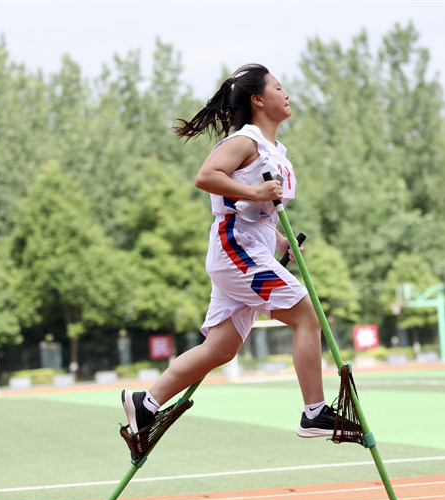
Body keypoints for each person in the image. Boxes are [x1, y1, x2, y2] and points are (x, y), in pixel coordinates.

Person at [121, 64, 352, 438]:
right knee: (306, 316)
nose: (287, 94)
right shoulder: (246, 141)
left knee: (221, 348)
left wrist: (280, 242)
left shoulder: (277, 151)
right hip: (236, 247)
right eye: (279, 88)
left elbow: (259, 214)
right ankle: (314, 412)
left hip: (248, 246)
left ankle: (145, 403)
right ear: (259, 99)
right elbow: (207, 177)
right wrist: (257, 193)